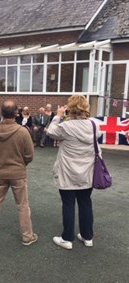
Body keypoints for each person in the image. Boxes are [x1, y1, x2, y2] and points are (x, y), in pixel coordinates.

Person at [47, 95, 101, 250]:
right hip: (87, 171)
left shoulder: (66, 126)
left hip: (68, 171)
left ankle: (67, 238)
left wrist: (58, 116)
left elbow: (51, 132)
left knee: (68, 204)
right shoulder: (94, 125)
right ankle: (87, 236)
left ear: (70, 108)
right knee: (85, 202)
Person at [0, 100, 38, 246]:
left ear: (1, 113)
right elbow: (30, 155)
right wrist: (21, 164)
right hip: (18, 173)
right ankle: (27, 236)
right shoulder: (22, 131)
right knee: (23, 205)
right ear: (16, 113)